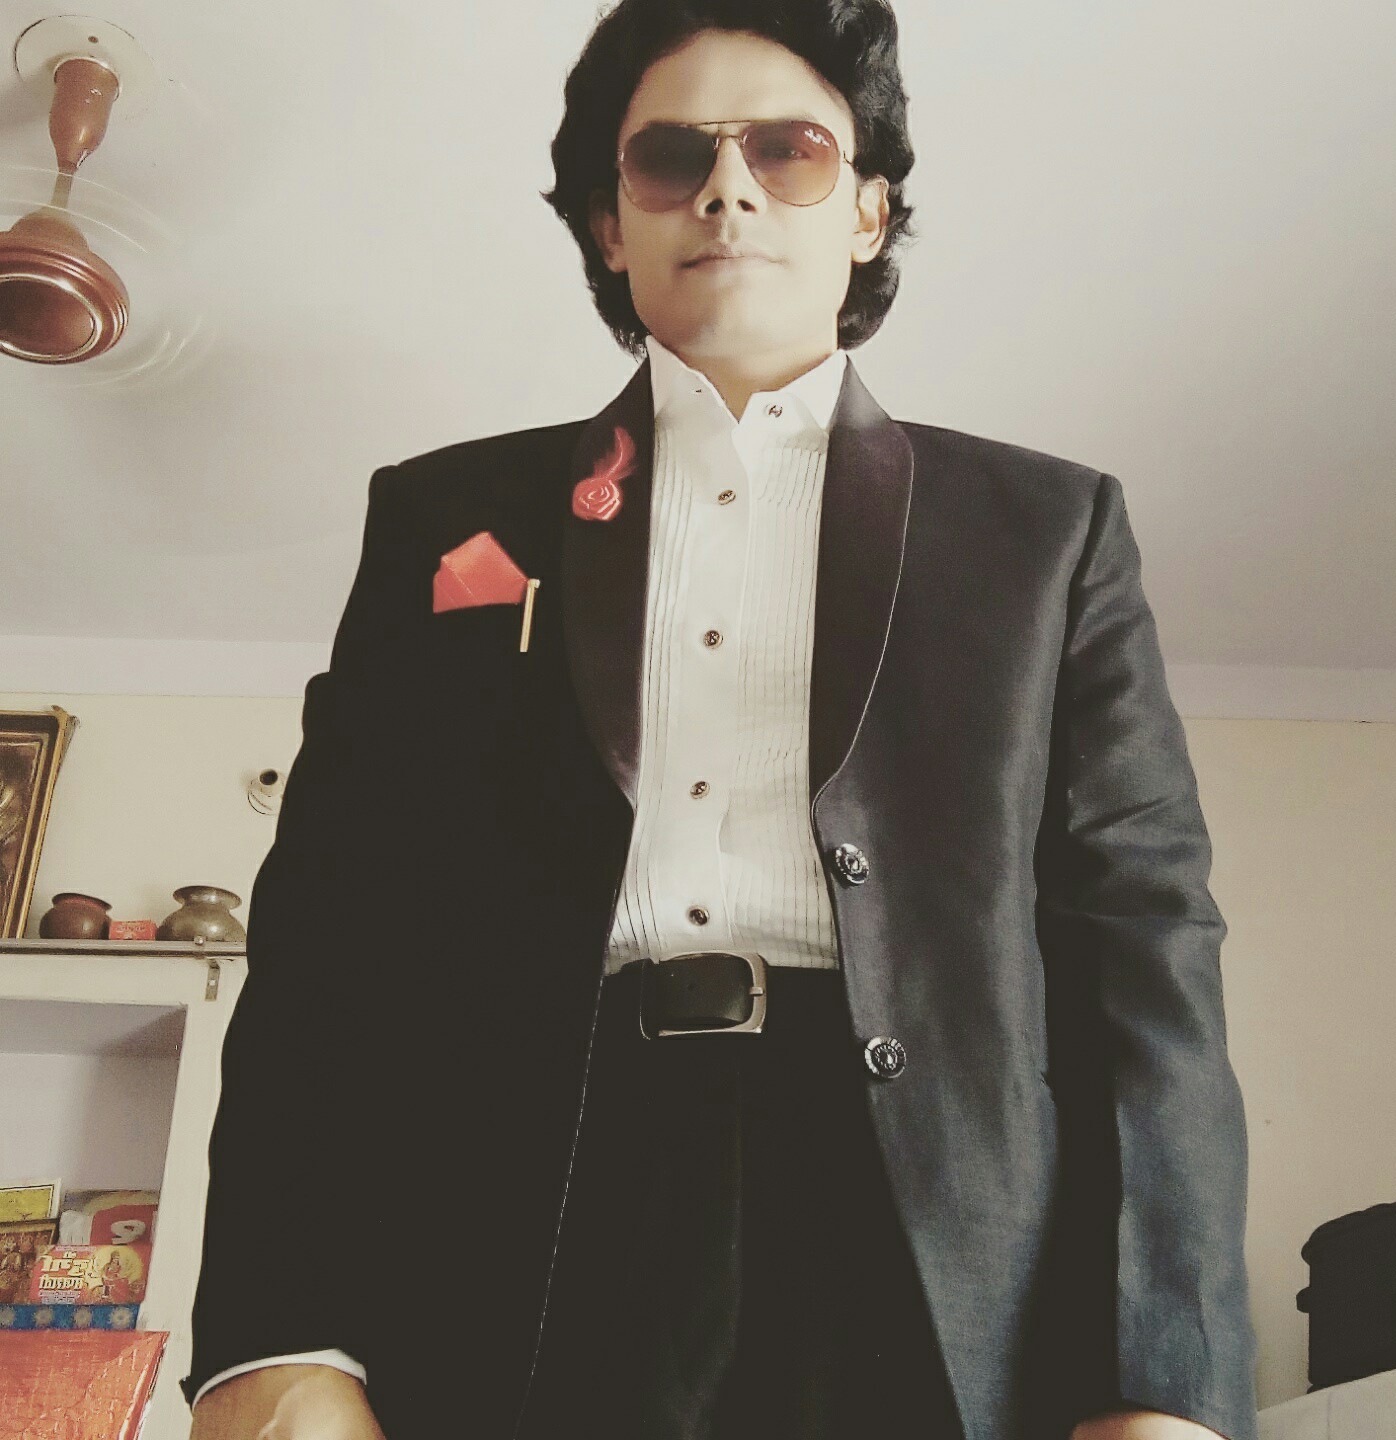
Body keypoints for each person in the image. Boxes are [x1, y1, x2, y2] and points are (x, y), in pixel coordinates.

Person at [184, 3, 1260, 1439]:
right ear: (609, 224)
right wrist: (272, 1340)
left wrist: (1166, 1383)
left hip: (932, 1245)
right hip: (520, 1217)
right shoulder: (444, 517)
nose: (728, 190)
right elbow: (332, 934)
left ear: (868, 210)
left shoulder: (1047, 533)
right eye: (671, 156)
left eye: (790, 150)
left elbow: (1145, 947)